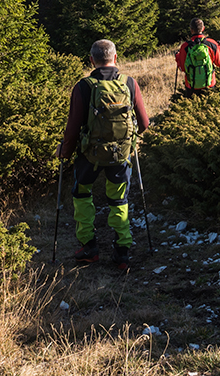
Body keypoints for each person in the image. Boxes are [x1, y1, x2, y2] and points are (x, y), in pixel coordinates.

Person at [56, 38, 150, 270]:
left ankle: (89, 247)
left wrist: (65, 152)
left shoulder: (83, 86)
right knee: (119, 200)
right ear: (115, 58)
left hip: (90, 154)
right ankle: (122, 252)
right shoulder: (130, 84)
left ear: (91, 60)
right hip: (121, 153)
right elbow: (144, 124)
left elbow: (73, 126)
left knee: (81, 194)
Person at [174, 17, 220, 96]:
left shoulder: (185, 47)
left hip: (191, 86)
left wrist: (177, 56)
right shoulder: (212, 44)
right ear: (203, 28)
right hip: (210, 84)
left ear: (191, 29)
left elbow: (183, 68)